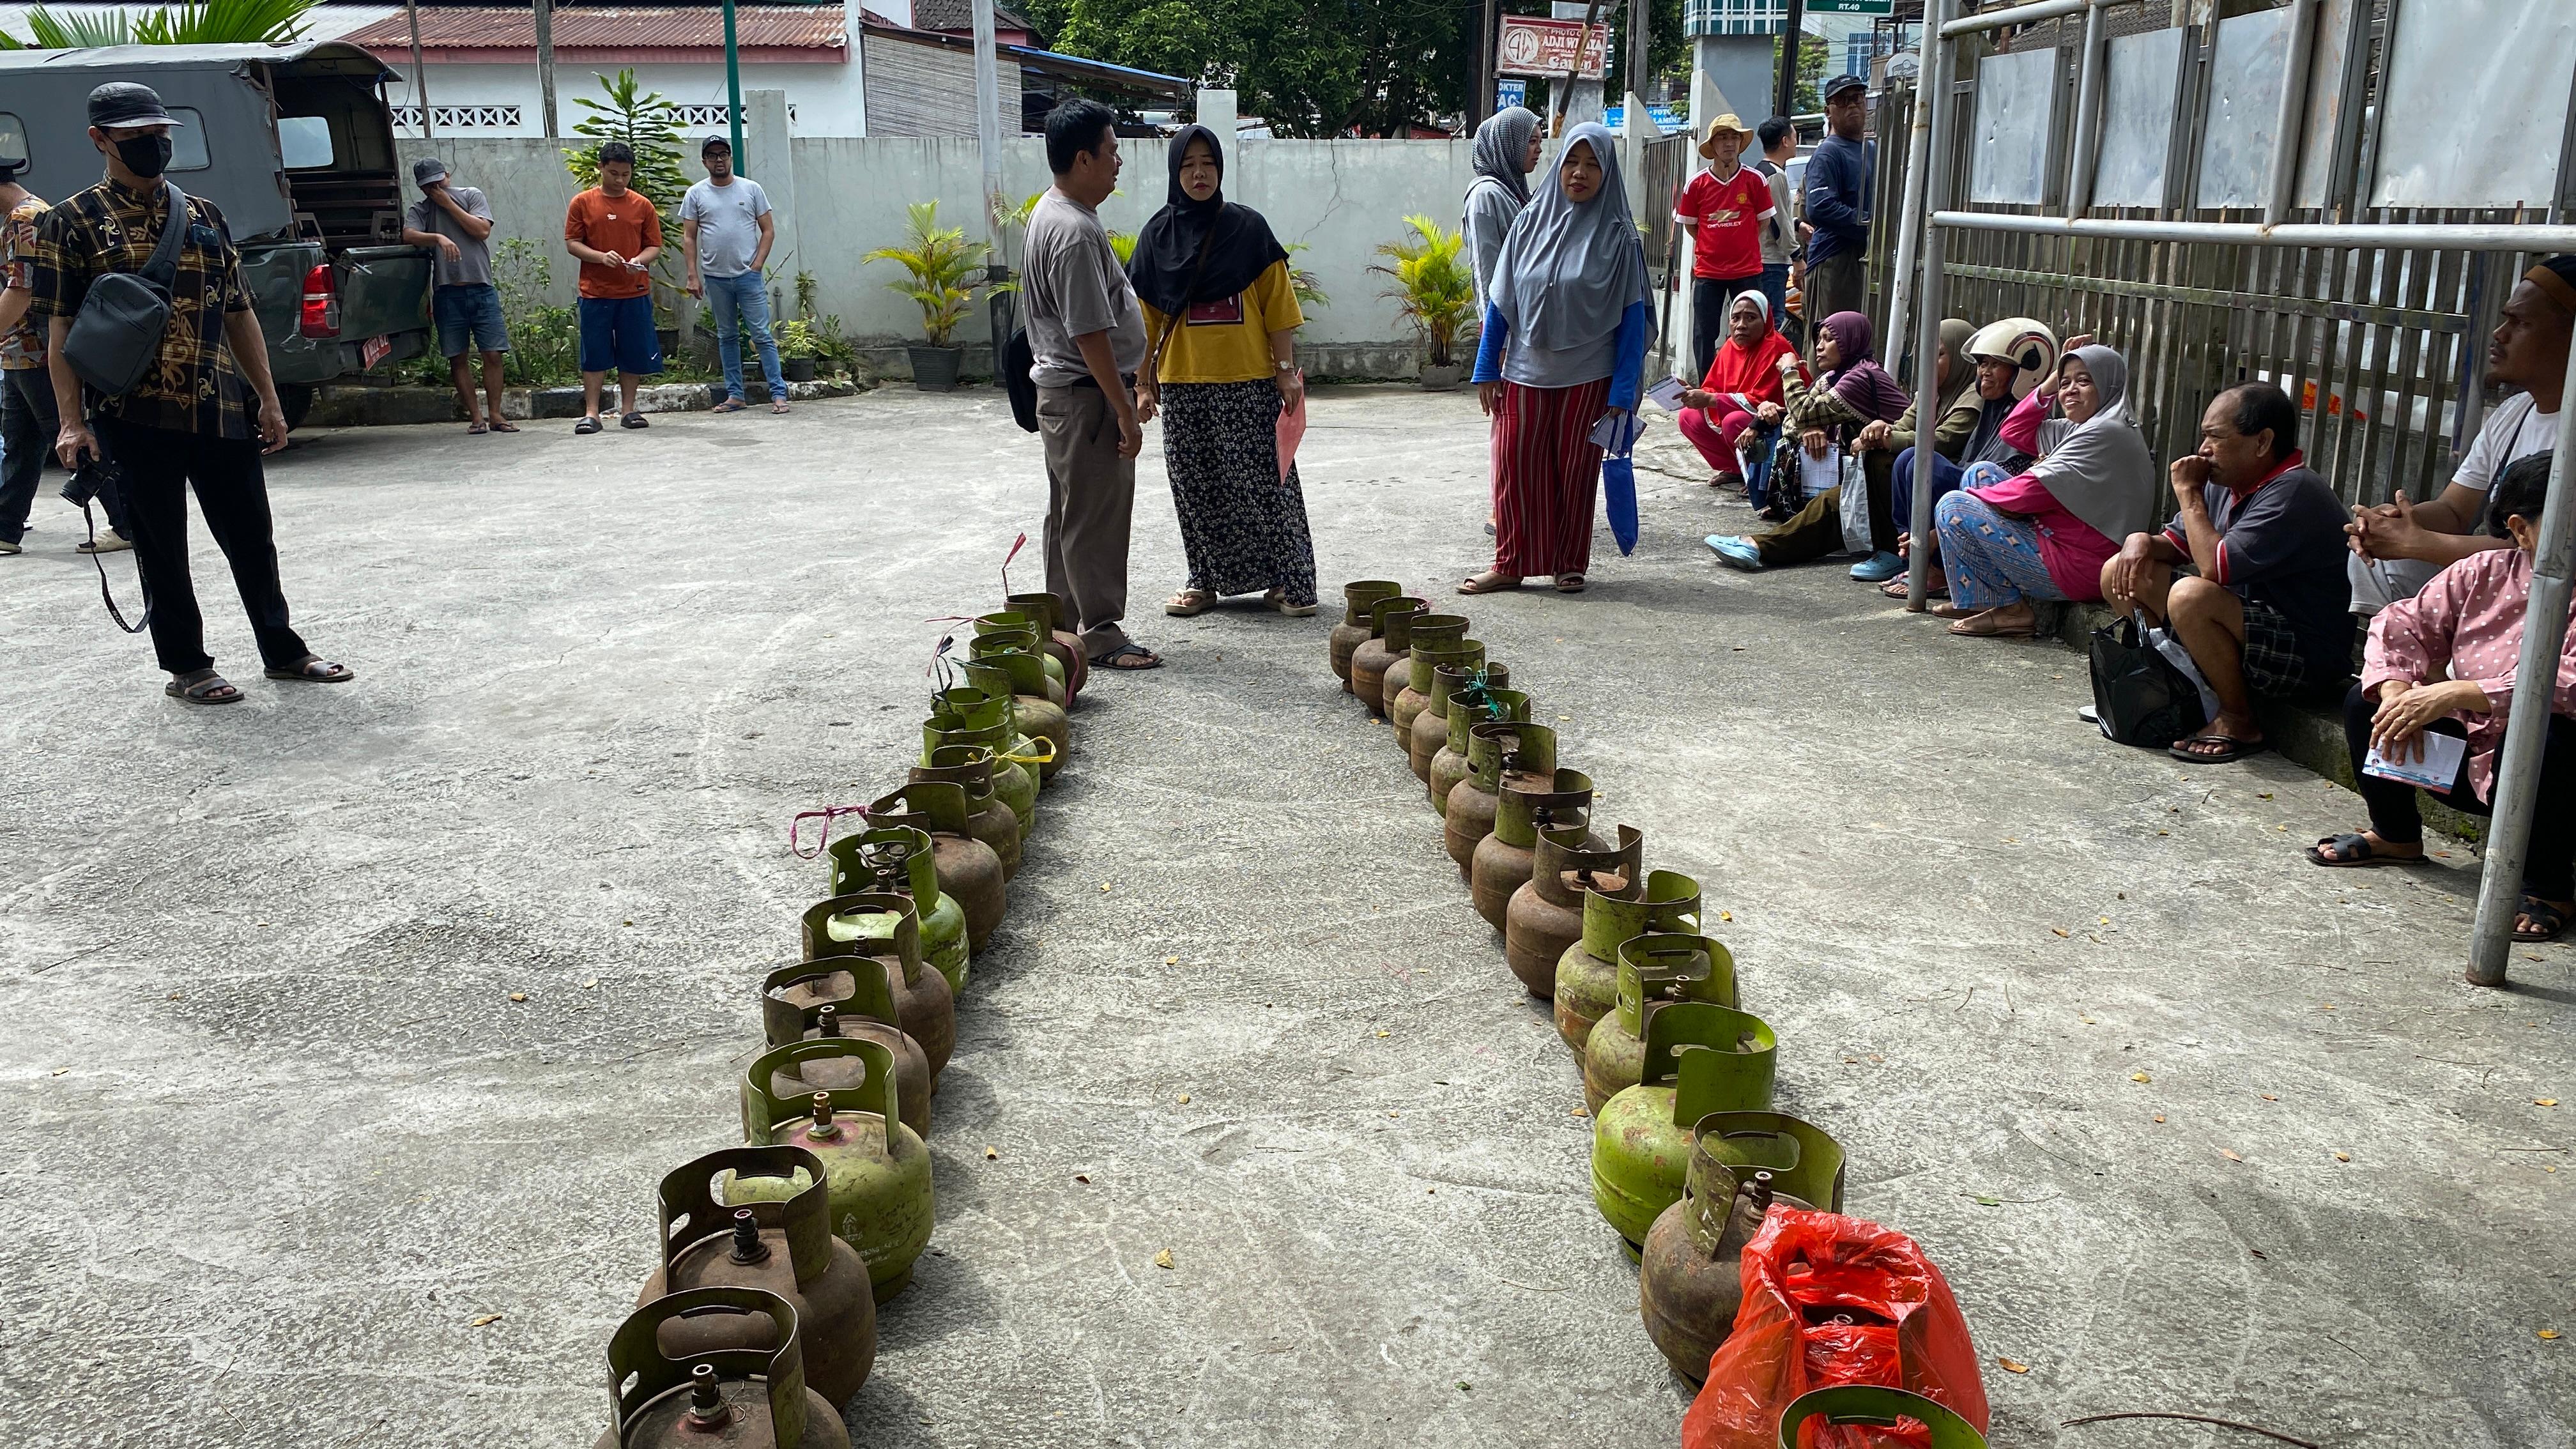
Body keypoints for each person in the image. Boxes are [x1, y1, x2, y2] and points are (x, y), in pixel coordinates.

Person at [29, 82, 350, 703]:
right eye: (136, 138)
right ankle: (188, 667)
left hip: (220, 405)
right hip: (132, 415)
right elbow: (59, 328)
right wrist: (71, 422)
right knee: (161, 546)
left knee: (252, 540)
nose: (154, 146)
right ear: (100, 140)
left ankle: (282, 650)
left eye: (160, 135)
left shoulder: (203, 215)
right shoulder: (69, 222)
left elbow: (238, 311)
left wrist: (270, 397)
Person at [2309, 453, 2574, 941]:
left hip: (2554, 777)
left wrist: (2458, 691)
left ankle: (2551, 887)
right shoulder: (2484, 571)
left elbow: (2567, 684)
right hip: (2477, 759)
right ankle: (2397, 835)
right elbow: (2400, 624)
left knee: (2548, 737)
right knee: (2365, 705)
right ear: (2521, 528)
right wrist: (2397, 693)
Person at [2103, 381, 2356, 762]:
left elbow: (2216, 568)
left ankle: (2239, 719)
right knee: (2119, 572)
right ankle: (2171, 692)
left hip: (2305, 654)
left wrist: (2189, 493)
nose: (2203, 450)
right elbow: (2177, 544)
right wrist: (2140, 540)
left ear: (2262, 442)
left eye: (2216, 437)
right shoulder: (2230, 481)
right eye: (2204, 436)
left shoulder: (2294, 491)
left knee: (2191, 596)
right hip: (2247, 632)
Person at [1130, 125, 1317, 620]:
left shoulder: (1248, 230)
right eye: (1188, 164)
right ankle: (1205, 579)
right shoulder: (1156, 238)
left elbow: (1278, 308)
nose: (1199, 173)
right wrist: (1143, 384)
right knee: (1197, 486)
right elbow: (1144, 323)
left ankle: (1287, 580)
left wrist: (1285, 372)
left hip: (1249, 382)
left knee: (1266, 484)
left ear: (1220, 169)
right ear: (1175, 172)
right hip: (1185, 385)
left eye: (1208, 163)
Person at [1462, 122, 1652, 596]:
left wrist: (1623, 394)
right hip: (1525, 371)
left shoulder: (1619, 237)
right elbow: (1500, 299)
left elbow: (1632, 320)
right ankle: (1511, 562)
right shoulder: (1529, 223)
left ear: (1606, 172)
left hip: (1589, 375)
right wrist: (1487, 366)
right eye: (1572, 161)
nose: (1580, 173)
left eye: (1592, 164)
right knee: (1515, 468)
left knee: (1574, 473)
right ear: (1559, 165)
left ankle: (1569, 564)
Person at [2347, 254, 2571, 613]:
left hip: (2549, 605)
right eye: (2504, 319)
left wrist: (2420, 543)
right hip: (2497, 583)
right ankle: (2407, 663)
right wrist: (2395, 523)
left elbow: (2539, 550)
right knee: (2377, 555)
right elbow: (2453, 509)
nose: (2500, 334)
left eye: (2520, 322)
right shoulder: (2516, 412)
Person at [1022, 98, 1158, 670]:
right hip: (1084, 395)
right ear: (1083, 159)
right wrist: (1123, 407)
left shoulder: (1054, 212)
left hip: (1069, 396)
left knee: (1071, 514)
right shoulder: (1072, 231)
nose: (1119, 161)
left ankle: (1061, 625)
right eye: (1111, 151)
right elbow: (1090, 334)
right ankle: (1101, 632)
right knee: (1094, 517)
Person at [1929, 339, 2158, 638]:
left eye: (2084, 381)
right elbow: (2013, 433)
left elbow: (2027, 492)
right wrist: (2050, 385)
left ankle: (2012, 610)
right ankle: (1979, 601)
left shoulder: (2106, 432)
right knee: (1979, 472)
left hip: (2082, 565)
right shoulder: (2087, 425)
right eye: (2066, 383)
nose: (2071, 390)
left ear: (2108, 384)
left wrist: (1944, 525)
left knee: (1953, 507)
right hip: (2062, 543)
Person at [1701, 309, 1910, 571]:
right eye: (1819, 339)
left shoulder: (1861, 377)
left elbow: (1801, 411)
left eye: (1829, 339)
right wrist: (1810, 429)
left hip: (1887, 474)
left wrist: (1789, 371)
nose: (1819, 347)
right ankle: (1756, 542)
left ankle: (1754, 545)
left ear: (1849, 342)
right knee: (1785, 443)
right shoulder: (1833, 377)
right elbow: (1792, 419)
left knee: (1828, 509)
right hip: (1859, 469)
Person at [4, 153, 133, 556]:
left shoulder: (24, 221)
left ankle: (127, 521)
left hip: (39, 353)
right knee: (22, 442)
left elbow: (21, 294)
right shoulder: (17, 218)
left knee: (71, 439)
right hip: (18, 352)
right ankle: (5, 526)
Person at [1882, 316, 2055, 600]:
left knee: (1926, 466)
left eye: (1995, 364)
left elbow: (1998, 479)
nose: (1984, 372)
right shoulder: (1992, 407)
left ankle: (1938, 569)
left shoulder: (2029, 414)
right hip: (1970, 494)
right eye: (1982, 364)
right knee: (1909, 459)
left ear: (2025, 371)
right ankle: (1915, 557)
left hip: (2000, 510)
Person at [1843, 316, 1979, 582]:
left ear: (1964, 359)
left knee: (1913, 459)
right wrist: (1880, 429)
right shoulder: (1930, 392)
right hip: (1923, 487)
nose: (1929, 363)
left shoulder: (1974, 397)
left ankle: (1922, 560)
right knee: (1893, 457)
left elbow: (1943, 439)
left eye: (1938, 354)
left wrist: (1888, 438)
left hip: (1959, 486)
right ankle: (1903, 549)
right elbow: (1903, 424)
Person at [401, 156, 514, 435]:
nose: (437, 189)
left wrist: (448, 204)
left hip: (481, 287)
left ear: (448, 175)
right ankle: (477, 418)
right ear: (422, 188)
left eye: (440, 182)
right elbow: (408, 235)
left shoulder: (471, 195)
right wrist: (438, 238)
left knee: (493, 353)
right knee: (457, 356)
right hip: (447, 291)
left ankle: (496, 414)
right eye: (430, 187)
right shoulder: (422, 210)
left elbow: (482, 230)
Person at [680, 135, 788, 416]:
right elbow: (689, 237)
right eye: (712, 155)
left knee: (762, 335)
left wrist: (757, 265)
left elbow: (768, 230)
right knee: (727, 337)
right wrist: (693, 275)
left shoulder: (751, 189)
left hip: (747, 277)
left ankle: (778, 394)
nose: (719, 159)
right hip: (715, 278)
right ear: (704, 161)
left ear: (730, 158)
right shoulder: (696, 194)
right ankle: (735, 395)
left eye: (723, 154)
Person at [563, 140, 663, 434]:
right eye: (614, 174)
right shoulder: (582, 202)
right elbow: (572, 244)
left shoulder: (642, 205)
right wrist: (600, 258)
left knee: (632, 351)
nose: (620, 180)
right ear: (601, 169)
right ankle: (592, 413)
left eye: (626, 175)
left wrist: (638, 261)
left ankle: (629, 410)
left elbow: (654, 246)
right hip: (595, 292)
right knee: (594, 352)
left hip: (634, 290)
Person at [1674, 113, 1774, 385]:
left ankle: (1750, 384)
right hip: (1709, 272)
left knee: (1754, 329)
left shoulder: (1755, 180)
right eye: (1722, 137)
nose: (1729, 143)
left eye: (1734, 137)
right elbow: (1691, 226)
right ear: (1713, 145)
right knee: (1705, 333)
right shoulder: (1696, 185)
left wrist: (1740, 242)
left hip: (1748, 270)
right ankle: (1708, 389)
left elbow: (1763, 221)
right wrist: (1715, 244)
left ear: (1740, 143)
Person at [1674, 290, 1804, 492]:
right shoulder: (1730, 347)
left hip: (1776, 422)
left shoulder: (1776, 348)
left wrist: (1710, 398)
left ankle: (1760, 475)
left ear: (1766, 320)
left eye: (1751, 318)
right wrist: (1695, 393)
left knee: (1734, 421)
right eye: (1735, 318)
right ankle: (1735, 469)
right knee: (1689, 417)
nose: (1741, 325)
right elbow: (1714, 387)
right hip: (1742, 413)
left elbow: (1760, 402)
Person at [1800, 75, 1874, 332]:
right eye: (1842, 101)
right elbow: (1820, 207)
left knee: (1859, 340)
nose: (1852, 105)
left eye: (1857, 98)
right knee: (1831, 343)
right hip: (1835, 260)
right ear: (1828, 111)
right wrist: (1869, 224)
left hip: (1867, 256)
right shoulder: (1828, 153)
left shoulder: (1871, 149)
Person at [1462, 106, 1542, 310]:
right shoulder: (1486, 196)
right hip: (1504, 326)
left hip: (1527, 319)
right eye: (1532, 141)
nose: (1539, 149)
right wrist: (1493, 334)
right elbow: (1485, 271)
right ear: (1508, 143)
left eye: (1539, 141)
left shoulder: (1517, 192)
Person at [1751, 117, 1798, 325]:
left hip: (1759, 259)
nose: (1797, 142)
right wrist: (1797, 256)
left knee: (1759, 321)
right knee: (1772, 322)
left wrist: (1796, 224)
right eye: (1795, 136)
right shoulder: (1775, 176)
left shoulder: (1760, 171)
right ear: (1785, 141)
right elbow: (1776, 222)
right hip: (1771, 260)